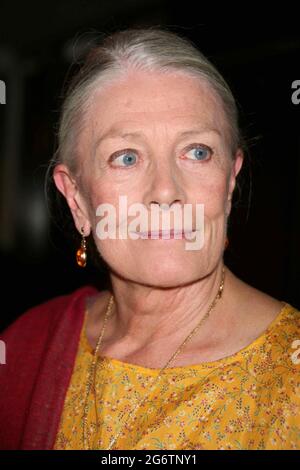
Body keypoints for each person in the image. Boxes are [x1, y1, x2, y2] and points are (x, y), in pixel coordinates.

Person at [0, 27, 299, 451]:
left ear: (229, 183)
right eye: (126, 157)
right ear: (77, 198)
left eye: (197, 152)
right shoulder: (23, 347)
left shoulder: (290, 379)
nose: (164, 190)